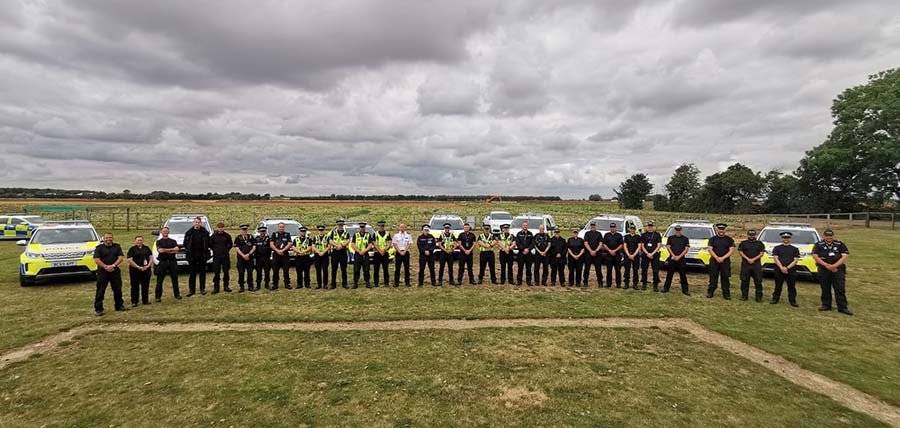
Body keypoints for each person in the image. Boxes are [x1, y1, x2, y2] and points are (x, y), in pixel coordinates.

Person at [812, 229, 852, 315]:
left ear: (833, 236)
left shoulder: (839, 244)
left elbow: (845, 256)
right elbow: (815, 256)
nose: (829, 238)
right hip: (824, 270)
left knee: (840, 289)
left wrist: (834, 266)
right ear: (824, 236)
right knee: (825, 288)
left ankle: (842, 307)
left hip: (838, 270)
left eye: (830, 236)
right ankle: (826, 305)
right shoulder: (819, 245)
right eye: (827, 236)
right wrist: (827, 265)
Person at [93, 232, 125, 316]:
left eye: (110, 237)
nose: (108, 239)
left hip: (115, 271)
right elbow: (96, 259)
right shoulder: (99, 248)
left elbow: (120, 258)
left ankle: (119, 305)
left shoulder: (117, 246)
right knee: (100, 290)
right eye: (106, 238)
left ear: (112, 238)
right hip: (102, 272)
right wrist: (105, 266)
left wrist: (113, 265)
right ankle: (98, 309)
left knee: (117, 289)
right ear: (104, 238)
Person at [706, 223, 735, 300]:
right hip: (714, 261)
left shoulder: (729, 239)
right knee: (713, 277)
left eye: (723, 229)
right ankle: (710, 292)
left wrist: (723, 258)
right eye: (720, 229)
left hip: (725, 262)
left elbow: (731, 250)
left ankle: (726, 294)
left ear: (725, 230)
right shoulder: (712, 239)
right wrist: (716, 257)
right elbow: (710, 249)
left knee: (725, 278)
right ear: (717, 230)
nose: (721, 231)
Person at [771, 231, 800, 307]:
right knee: (778, 286)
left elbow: (795, 260)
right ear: (782, 239)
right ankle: (775, 299)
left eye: (787, 238)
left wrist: (787, 268)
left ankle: (792, 301)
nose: (786, 239)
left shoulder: (795, 249)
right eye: (784, 238)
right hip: (779, 269)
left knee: (791, 286)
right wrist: (781, 267)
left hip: (791, 270)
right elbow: (776, 258)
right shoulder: (777, 248)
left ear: (790, 239)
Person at [183, 217, 210, 296]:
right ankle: (191, 290)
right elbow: (185, 244)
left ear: (200, 223)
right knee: (192, 273)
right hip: (192, 256)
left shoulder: (205, 232)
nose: (197, 223)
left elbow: (208, 242)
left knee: (202, 273)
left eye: (198, 222)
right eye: (195, 222)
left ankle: (202, 289)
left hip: (202, 255)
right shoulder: (189, 232)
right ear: (193, 223)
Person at [737, 229, 766, 302]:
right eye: (750, 235)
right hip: (746, 265)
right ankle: (744, 296)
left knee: (758, 281)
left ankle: (758, 298)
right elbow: (741, 252)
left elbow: (761, 253)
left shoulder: (760, 243)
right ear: (747, 235)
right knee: (744, 281)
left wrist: (753, 259)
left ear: (755, 235)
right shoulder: (743, 243)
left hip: (756, 265)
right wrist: (748, 259)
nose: (751, 236)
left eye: (753, 235)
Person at [154, 226, 181, 302]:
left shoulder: (173, 241)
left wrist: (166, 250)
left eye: (166, 231)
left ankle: (177, 294)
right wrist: (171, 250)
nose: (165, 232)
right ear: (161, 232)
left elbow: (176, 250)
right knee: (160, 280)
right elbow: (160, 251)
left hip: (172, 262)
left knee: (175, 279)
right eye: (164, 231)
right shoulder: (159, 242)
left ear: (168, 232)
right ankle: (158, 296)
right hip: (163, 262)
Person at [662, 225, 690, 296]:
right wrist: (673, 256)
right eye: (677, 230)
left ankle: (685, 290)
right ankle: (666, 288)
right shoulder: (670, 238)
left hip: (681, 259)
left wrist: (679, 256)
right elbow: (668, 247)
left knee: (683, 275)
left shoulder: (685, 239)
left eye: (679, 230)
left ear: (681, 230)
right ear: (675, 230)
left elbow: (686, 249)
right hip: (672, 259)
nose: (678, 231)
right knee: (669, 274)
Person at [127, 236, 153, 306]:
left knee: (145, 285)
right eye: (138, 240)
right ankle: (134, 301)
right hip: (135, 270)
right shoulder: (132, 249)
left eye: (141, 240)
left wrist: (148, 266)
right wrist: (138, 267)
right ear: (135, 241)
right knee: (135, 286)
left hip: (146, 270)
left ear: (143, 241)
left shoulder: (146, 248)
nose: (139, 242)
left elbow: (151, 257)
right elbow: (129, 260)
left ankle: (145, 300)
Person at [209, 222, 233, 294]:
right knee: (216, 273)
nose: (220, 229)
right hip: (217, 257)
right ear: (217, 228)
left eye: (222, 227)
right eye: (219, 227)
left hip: (225, 257)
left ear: (224, 228)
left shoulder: (227, 236)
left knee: (226, 272)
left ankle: (226, 286)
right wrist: (215, 250)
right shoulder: (213, 236)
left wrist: (226, 250)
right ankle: (216, 288)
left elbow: (230, 245)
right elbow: (210, 244)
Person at [269, 222, 293, 290]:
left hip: (285, 255)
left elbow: (289, 244)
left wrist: (282, 250)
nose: (281, 228)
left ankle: (287, 283)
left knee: (286, 270)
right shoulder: (274, 234)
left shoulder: (287, 234)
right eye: (280, 227)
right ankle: (275, 284)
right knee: (275, 270)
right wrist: (278, 251)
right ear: (278, 227)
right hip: (276, 255)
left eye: (282, 227)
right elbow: (271, 244)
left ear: (284, 227)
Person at [640, 221, 662, 291]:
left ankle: (655, 285)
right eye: (649, 226)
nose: (650, 228)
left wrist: (652, 253)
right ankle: (644, 284)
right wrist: (647, 253)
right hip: (645, 255)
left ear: (653, 227)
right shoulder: (644, 235)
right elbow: (642, 245)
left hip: (655, 255)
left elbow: (659, 245)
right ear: (647, 227)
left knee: (655, 270)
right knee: (644, 270)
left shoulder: (657, 235)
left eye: (651, 226)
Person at [233, 224, 255, 293]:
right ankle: (241, 286)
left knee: (250, 272)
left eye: (245, 230)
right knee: (241, 272)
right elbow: (237, 248)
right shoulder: (238, 238)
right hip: (241, 258)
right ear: (241, 231)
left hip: (249, 258)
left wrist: (249, 254)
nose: (244, 231)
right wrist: (243, 255)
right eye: (243, 230)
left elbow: (254, 247)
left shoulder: (251, 237)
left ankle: (250, 286)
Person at [351, 222, 373, 288]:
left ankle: (367, 282)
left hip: (365, 254)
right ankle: (355, 283)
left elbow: (370, 245)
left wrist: (364, 251)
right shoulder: (356, 235)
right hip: (358, 254)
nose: (362, 229)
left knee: (366, 269)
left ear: (365, 228)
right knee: (356, 269)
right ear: (359, 228)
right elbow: (353, 244)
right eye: (361, 227)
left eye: (363, 227)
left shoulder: (368, 235)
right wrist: (358, 251)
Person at [602, 223, 624, 288]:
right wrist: (610, 251)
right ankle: (608, 284)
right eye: (611, 227)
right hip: (608, 255)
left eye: (614, 227)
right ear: (610, 228)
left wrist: (614, 251)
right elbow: (604, 244)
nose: (612, 228)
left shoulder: (619, 235)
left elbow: (621, 245)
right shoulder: (606, 235)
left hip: (617, 255)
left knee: (617, 270)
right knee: (609, 270)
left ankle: (618, 284)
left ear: (616, 228)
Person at [330, 220, 351, 288]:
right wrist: (337, 246)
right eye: (339, 225)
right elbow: (330, 241)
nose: (340, 226)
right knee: (334, 269)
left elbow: (348, 240)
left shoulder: (346, 233)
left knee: (344, 269)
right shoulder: (333, 233)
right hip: (335, 252)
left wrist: (341, 246)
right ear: (337, 225)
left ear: (343, 226)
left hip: (343, 252)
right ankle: (333, 284)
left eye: (341, 225)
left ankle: (344, 283)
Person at [582, 222, 603, 287]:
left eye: (594, 226)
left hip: (597, 254)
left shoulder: (599, 234)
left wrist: (595, 251)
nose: (593, 227)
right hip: (588, 253)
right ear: (590, 227)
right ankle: (585, 282)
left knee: (598, 268)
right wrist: (591, 251)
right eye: (592, 226)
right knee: (587, 268)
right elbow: (585, 243)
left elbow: (600, 243)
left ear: (596, 226)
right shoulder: (587, 233)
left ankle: (600, 282)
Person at [372, 221, 392, 287]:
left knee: (385, 269)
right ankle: (376, 283)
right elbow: (374, 243)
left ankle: (386, 283)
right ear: (378, 226)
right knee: (376, 269)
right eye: (380, 226)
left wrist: (385, 249)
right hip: (377, 253)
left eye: (382, 226)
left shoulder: (387, 233)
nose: (381, 227)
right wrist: (380, 250)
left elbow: (389, 242)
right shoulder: (375, 234)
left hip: (385, 253)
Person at [514, 221, 534, 286]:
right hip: (521, 253)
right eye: (524, 225)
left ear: (527, 226)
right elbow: (518, 243)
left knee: (528, 268)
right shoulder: (519, 234)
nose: (525, 226)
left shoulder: (530, 234)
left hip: (528, 254)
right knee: (520, 268)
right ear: (522, 226)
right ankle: (519, 281)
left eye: (526, 225)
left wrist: (528, 249)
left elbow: (532, 243)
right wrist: (523, 249)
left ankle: (529, 281)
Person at [622, 225, 642, 290]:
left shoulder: (638, 237)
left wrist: (633, 255)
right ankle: (626, 283)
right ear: (629, 229)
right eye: (631, 229)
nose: (632, 230)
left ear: (635, 229)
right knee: (627, 269)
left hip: (635, 255)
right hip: (627, 255)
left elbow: (639, 246)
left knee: (635, 270)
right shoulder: (626, 237)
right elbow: (625, 246)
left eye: (633, 229)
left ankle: (635, 284)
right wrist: (629, 255)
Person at [312, 225, 331, 289]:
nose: (321, 232)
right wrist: (318, 252)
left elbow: (329, 246)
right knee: (318, 270)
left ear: (324, 231)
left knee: (325, 270)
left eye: (322, 230)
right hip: (317, 255)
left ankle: (325, 284)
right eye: (320, 230)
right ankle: (319, 284)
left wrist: (323, 252)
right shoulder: (315, 237)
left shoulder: (327, 237)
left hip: (325, 255)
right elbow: (313, 246)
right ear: (318, 231)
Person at [253, 227, 271, 291]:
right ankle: (258, 285)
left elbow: (271, 247)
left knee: (267, 271)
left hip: (266, 257)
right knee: (259, 272)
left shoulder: (268, 239)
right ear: (259, 232)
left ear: (265, 232)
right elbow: (254, 248)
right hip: (258, 258)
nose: (262, 233)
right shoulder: (256, 239)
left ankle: (267, 284)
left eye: (264, 231)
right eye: (261, 231)